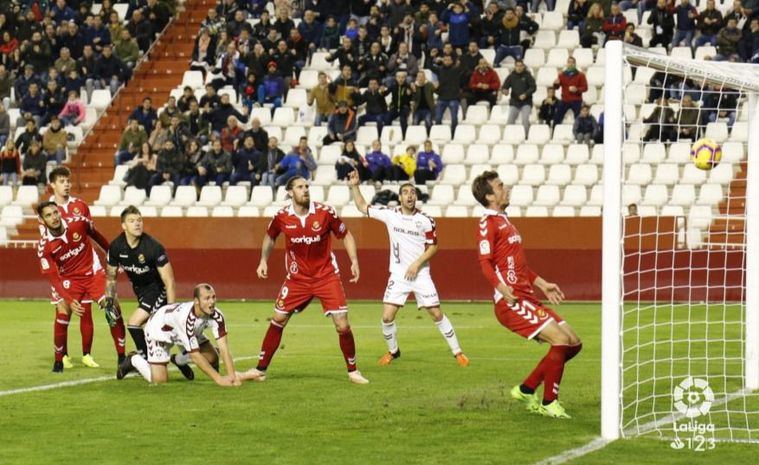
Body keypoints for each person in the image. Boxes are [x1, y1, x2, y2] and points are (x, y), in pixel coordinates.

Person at [472, 171, 582, 419]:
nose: (506, 187)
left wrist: (542, 283)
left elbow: (518, 265)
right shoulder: (487, 223)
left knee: (574, 343)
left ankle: (527, 388)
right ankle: (548, 402)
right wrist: (502, 289)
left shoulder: (505, 221)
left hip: (527, 296)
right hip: (511, 301)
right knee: (560, 341)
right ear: (489, 196)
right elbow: (485, 263)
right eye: (500, 186)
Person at [240, 176, 369, 385]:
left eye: (307, 186)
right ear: (290, 192)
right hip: (297, 278)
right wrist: (263, 260)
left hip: (326, 275)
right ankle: (260, 369)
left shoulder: (325, 212)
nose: (305, 190)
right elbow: (270, 236)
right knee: (278, 318)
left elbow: (346, 235)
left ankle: (353, 371)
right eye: (300, 187)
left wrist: (354, 261)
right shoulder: (282, 216)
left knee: (342, 324)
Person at [348, 171, 469, 367]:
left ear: (416, 197)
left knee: (436, 313)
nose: (410, 195)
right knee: (387, 316)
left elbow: (434, 246)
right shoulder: (390, 215)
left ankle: (458, 352)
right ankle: (393, 351)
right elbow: (363, 207)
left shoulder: (425, 220)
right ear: (400, 197)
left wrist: (416, 264)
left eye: (413, 192)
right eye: (406, 192)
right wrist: (354, 186)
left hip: (420, 274)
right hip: (398, 275)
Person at [45, 167, 126, 370]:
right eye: (62, 181)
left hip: (92, 268)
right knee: (63, 312)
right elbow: (48, 247)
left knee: (112, 306)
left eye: (68, 181)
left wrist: (111, 255)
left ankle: (122, 357)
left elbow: (93, 233)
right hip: (66, 275)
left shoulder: (80, 206)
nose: (67, 184)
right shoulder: (47, 211)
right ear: (53, 185)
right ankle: (61, 357)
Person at [105, 206, 186, 375]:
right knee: (153, 328)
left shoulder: (153, 247)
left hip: (158, 290)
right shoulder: (116, 247)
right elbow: (111, 277)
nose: (137, 224)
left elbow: (169, 281)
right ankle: (180, 358)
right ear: (123, 226)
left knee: (134, 323)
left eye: (139, 220)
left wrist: (170, 310)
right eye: (132, 221)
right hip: (141, 292)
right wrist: (110, 301)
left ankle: (140, 359)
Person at [117, 284, 243, 386]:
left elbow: (224, 348)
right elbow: (195, 356)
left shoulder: (217, 316)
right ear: (196, 301)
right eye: (207, 298)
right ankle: (133, 359)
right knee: (159, 380)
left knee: (212, 357)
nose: (212, 302)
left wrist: (232, 377)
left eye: (213, 297)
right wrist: (219, 380)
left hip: (180, 331)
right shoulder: (186, 319)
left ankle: (177, 360)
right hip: (159, 330)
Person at [502, 60, 537, 134]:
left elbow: (533, 87)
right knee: (510, 120)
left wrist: (525, 94)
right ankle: (509, 135)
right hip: (515, 102)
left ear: (523, 66)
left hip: (526, 102)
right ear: (515, 67)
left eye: (521, 66)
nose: (519, 68)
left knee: (525, 120)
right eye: (517, 66)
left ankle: (526, 136)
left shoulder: (528, 76)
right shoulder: (511, 76)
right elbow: (504, 87)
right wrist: (504, 91)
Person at [553, 57, 588, 126]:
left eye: (572, 62)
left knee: (579, 119)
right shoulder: (562, 75)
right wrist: (555, 84)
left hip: (576, 100)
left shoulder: (581, 75)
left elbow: (585, 88)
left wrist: (577, 89)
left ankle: (579, 133)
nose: (570, 64)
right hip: (565, 100)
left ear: (575, 64)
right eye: (569, 62)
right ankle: (554, 133)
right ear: (567, 64)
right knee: (557, 117)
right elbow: (556, 87)